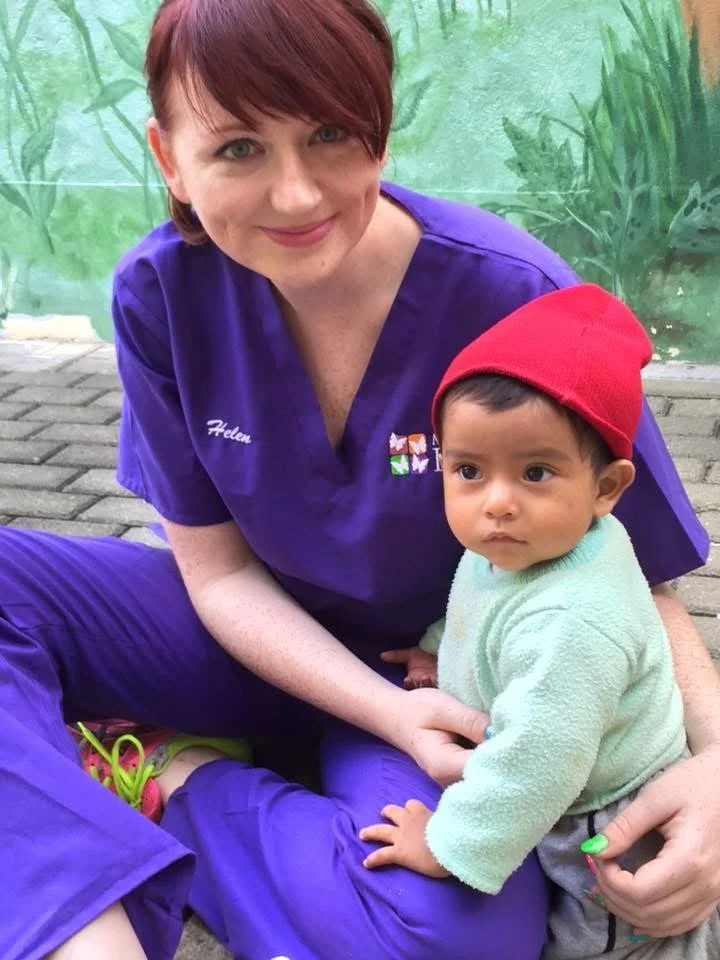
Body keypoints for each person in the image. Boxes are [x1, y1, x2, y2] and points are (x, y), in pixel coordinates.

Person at [0, 1, 717, 958]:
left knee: (457, 933)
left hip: (435, 683)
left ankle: (176, 782)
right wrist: (385, 715)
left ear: (378, 123)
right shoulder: (161, 293)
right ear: (169, 158)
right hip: (251, 642)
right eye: (239, 149)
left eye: (329, 133)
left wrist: (715, 770)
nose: (295, 195)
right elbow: (214, 575)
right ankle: (78, 904)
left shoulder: (513, 296)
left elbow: (645, 578)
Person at [359, 284, 720, 958]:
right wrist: (443, 654)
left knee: (616, 939)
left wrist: (444, 846)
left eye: (535, 472)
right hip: (562, 782)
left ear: (606, 488)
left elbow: (538, 763)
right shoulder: (523, 547)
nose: (497, 503)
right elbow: (483, 611)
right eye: (469, 470)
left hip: (608, 822)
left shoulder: (576, 617)